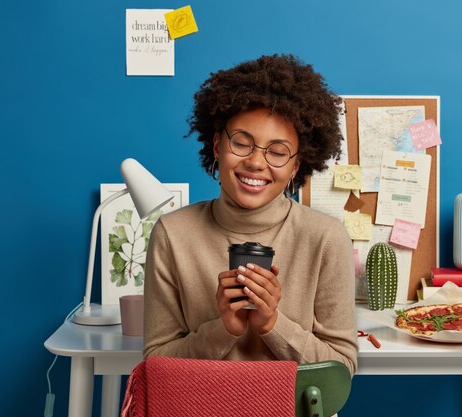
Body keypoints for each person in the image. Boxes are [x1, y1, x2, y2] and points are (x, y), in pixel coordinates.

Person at [143, 54, 358, 374]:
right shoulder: (172, 234)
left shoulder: (325, 238)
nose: (256, 163)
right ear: (217, 147)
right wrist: (224, 328)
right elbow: (155, 364)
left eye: (277, 152)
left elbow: (342, 367)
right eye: (242, 143)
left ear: (296, 166)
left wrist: (272, 323)